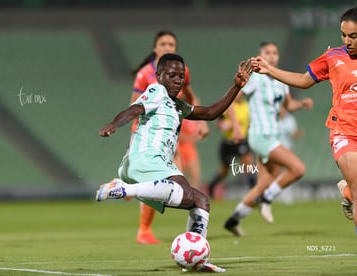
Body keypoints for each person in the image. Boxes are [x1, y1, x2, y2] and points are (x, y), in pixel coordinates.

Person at [97, 53, 253, 273]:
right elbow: (135, 109)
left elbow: (209, 113)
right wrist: (114, 124)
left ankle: (195, 258)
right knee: (184, 190)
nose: (178, 79)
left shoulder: (177, 106)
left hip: (158, 163)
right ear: (159, 76)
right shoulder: (156, 91)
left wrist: (236, 87)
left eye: (181, 75)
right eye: (172, 75)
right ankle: (122, 189)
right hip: (145, 158)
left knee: (200, 200)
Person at [251, 3, 357, 269]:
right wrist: (271, 71)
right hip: (346, 132)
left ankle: (347, 191)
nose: (347, 41)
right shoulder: (333, 57)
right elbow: (305, 80)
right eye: (344, 35)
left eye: (354, 36)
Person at [223, 41, 313, 236]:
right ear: (259, 56)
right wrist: (237, 128)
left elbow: (287, 107)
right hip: (260, 135)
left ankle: (234, 219)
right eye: (267, 52)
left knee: (264, 183)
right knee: (298, 168)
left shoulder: (281, 80)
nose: (272, 56)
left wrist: (302, 104)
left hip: (272, 136)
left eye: (275, 52)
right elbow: (231, 101)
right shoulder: (256, 78)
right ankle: (267, 199)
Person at [130, 30, 208, 244]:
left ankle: (131, 191)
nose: (167, 47)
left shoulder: (183, 71)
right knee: (166, 179)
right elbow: (134, 104)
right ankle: (144, 229)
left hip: (172, 135)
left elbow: (190, 97)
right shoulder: (145, 74)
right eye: (163, 43)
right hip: (150, 137)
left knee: (172, 181)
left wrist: (200, 122)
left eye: (171, 44)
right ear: (155, 48)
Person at [207, 93, 256, 200]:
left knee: (248, 166)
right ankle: (212, 187)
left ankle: (253, 195)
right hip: (228, 143)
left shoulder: (246, 106)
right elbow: (218, 123)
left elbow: (250, 123)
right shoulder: (228, 105)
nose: (238, 94)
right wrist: (224, 125)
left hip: (241, 141)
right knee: (224, 171)